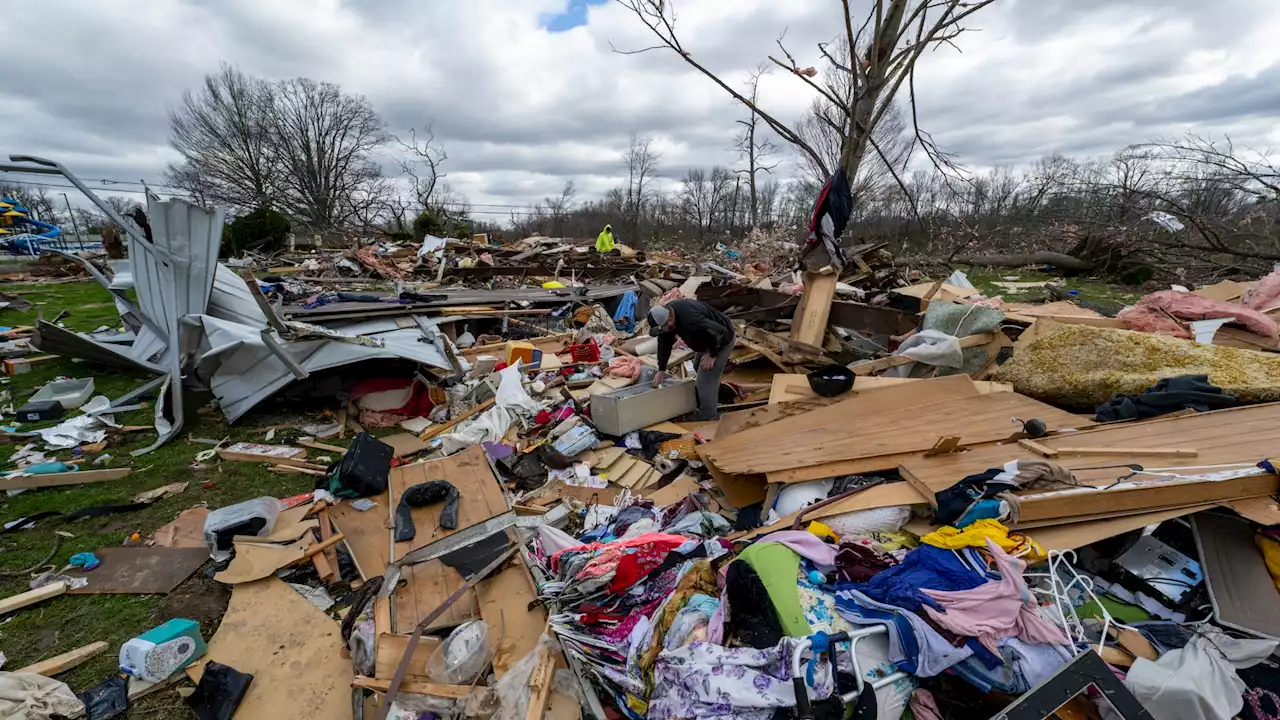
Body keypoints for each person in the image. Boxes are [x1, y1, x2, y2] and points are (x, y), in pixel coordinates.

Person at [648, 299, 735, 421]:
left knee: (704, 380)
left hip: (721, 340)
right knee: (696, 367)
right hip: (706, 340)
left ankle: (708, 417)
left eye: (663, 328)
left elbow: (721, 333)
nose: (663, 332)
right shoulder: (667, 316)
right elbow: (664, 344)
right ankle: (717, 396)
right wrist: (661, 369)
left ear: (670, 320)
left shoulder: (693, 320)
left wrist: (712, 354)